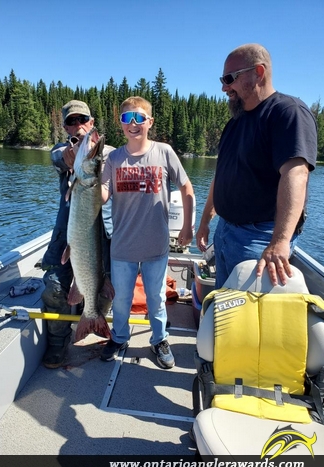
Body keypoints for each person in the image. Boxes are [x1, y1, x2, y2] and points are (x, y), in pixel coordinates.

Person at [196, 43, 317, 289]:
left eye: (230, 78)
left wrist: (280, 242)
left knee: (247, 317)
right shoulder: (234, 124)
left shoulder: (287, 112)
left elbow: (296, 174)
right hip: (225, 231)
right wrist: (206, 221)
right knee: (225, 307)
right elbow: (221, 177)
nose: (224, 87)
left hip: (260, 239)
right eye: (223, 79)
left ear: (258, 73)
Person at [100, 96, 195, 369]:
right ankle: (118, 337)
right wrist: (88, 181)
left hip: (156, 247)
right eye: (127, 118)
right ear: (120, 124)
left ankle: (159, 339)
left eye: (139, 118)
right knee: (121, 301)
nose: (133, 124)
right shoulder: (114, 158)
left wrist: (188, 226)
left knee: (156, 300)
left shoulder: (164, 152)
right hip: (122, 248)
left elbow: (187, 189)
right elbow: (103, 195)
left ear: (149, 122)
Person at [41, 100, 114, 368]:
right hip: (66, 235)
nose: (77, 125)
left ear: (91, 122)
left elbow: (114, 156)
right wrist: (75, 152)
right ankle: (58, 344)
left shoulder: (108, 153)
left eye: (82, 119)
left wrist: (95, 153)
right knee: (53, 289)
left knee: (106, 289)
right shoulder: (62, 151)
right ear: (64, 127)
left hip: (102, 235)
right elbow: (61, 156)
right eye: (71, 121)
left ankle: (93, 320)